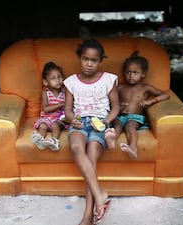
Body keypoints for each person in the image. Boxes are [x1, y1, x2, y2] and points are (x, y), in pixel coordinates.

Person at [64, 39, 120, 225]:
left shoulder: (108, 79)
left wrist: (106, 121)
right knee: (75, 147)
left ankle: (87, 217)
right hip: (80, 123)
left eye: (94, 60)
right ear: (79, 59)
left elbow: (116, 107)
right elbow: (68, 110)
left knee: (91, 156)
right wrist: (72, 120)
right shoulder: (71, 82)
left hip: (100, 124)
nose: (89, 64)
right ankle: (100, 195)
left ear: (100, 61)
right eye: (85, 59)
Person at [108, 50, 170, 158]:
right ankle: (111, 142)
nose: (131, 76)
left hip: (135, 117)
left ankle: (132, 147)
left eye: (135, 73)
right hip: (120, 116)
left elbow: (165, 95)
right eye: (128, 72)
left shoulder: (145, 87)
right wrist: (118, 105)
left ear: (143, 74)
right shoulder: (120, 87)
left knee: (130, 127)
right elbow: (110, 100)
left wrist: (151, 101)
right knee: (116, 127)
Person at [31, 61, 69, 151]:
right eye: (53, 78)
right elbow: (45, 109)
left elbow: (69, 106)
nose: (57, 80)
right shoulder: (46, 93)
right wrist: (61, 104)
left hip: (59, 119)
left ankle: (54, 140)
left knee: (55, 125)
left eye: (59, 77)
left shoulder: (65, 92)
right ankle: (40, 139)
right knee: (43, 125)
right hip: (46, 118)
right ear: (45, 82)